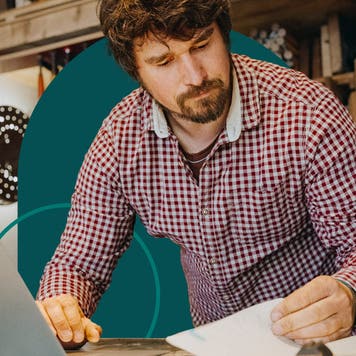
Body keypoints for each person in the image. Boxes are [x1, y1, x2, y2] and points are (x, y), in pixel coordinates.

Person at [36, 0, 356, 349]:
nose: (195, 75)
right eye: (164, 61)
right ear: (136, 71)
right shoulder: (120, 138)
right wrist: (60, 306)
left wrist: (350, 293)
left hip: (319, 343)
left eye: (202, 45)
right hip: (212, 345)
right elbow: (77, 262)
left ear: (224, 34)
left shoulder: (307, 113)